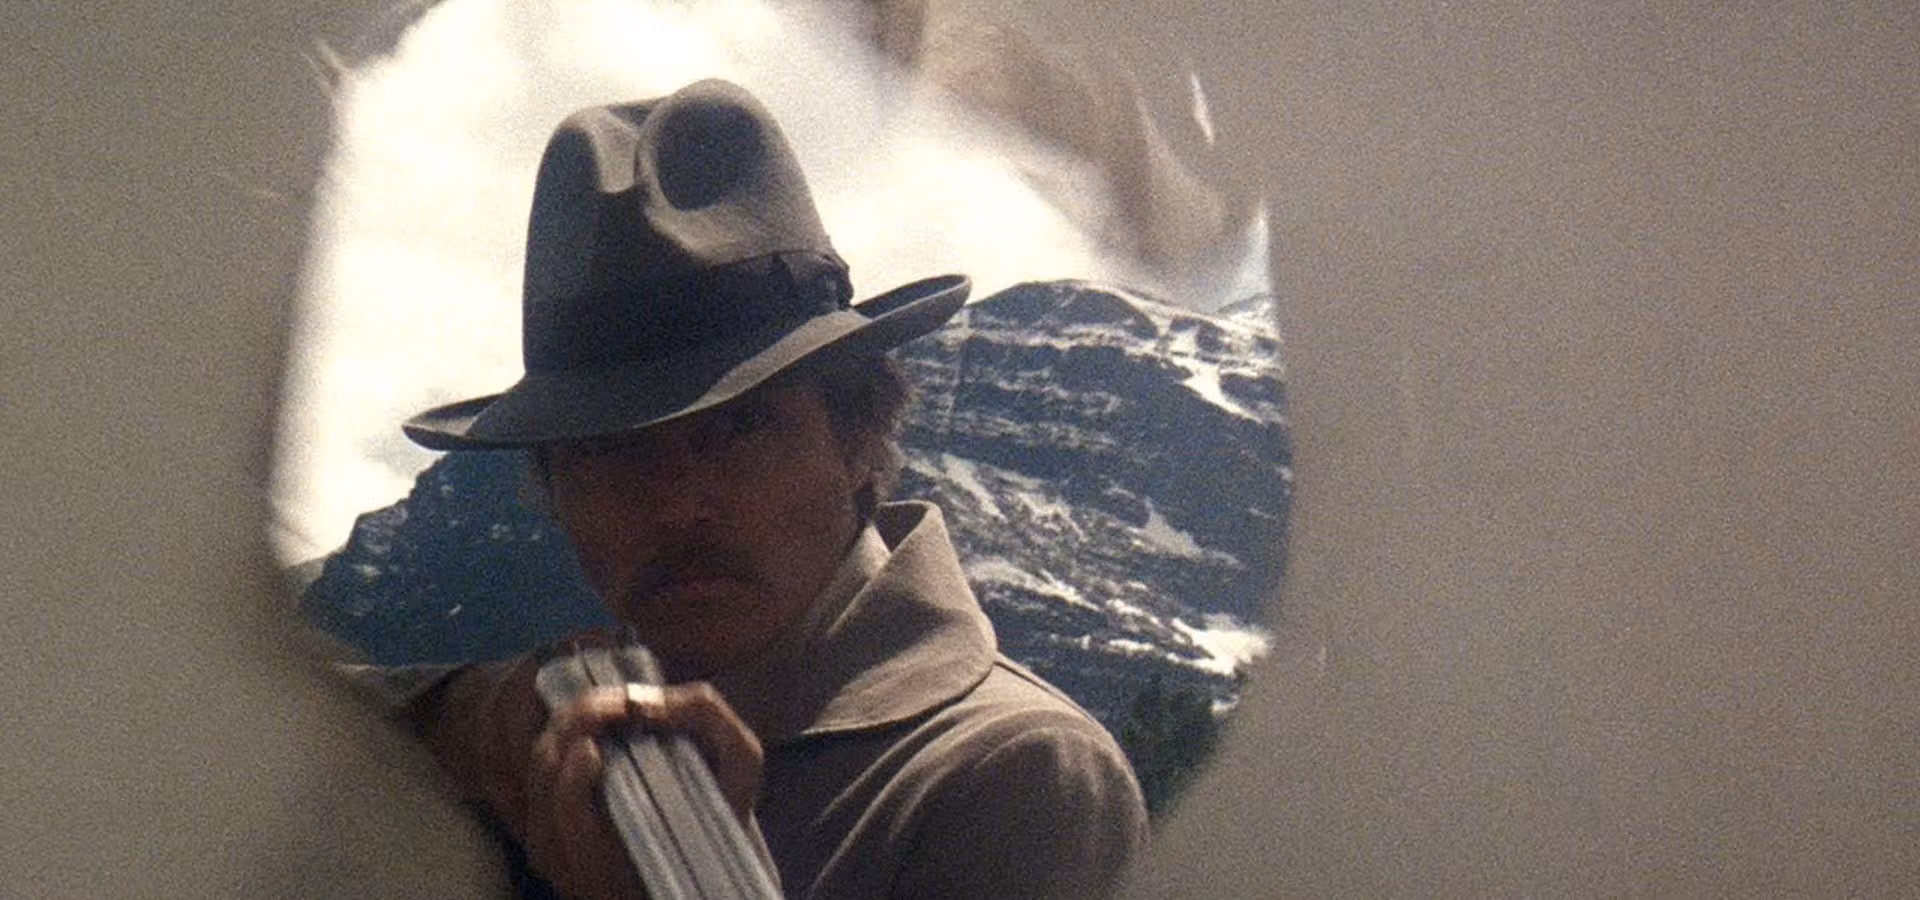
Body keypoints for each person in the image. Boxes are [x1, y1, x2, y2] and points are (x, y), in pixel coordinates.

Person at [385, 78, 1148, 900]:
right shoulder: (543, 730)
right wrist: (493, 713)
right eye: (608, 453)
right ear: (557, 494)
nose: (677, 503)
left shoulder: (1017, 778)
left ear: (858, 440)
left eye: (742, 429)